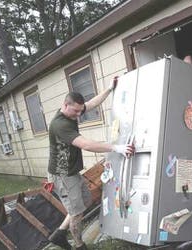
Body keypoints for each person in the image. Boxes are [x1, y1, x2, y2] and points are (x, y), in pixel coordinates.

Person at [47, 78, 135, 250]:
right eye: (75, 112)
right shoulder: (60, 125)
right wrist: (117, 147)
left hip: (71, 172)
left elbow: (91, 103)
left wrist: (109, 89)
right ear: (65, 105)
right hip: (62, 175)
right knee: (77, 213)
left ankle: (59, 233)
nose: (79, 115)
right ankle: (79, 245)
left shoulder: (72, 110)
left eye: (80, 111)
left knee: (85, 201)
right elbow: (86, 145)